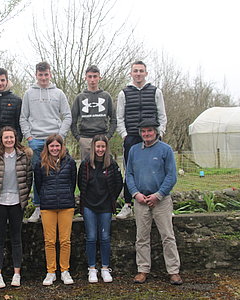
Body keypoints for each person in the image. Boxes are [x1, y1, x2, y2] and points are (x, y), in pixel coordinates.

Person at [125, 119, 182, 285]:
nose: (146, 134)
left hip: (161, 200)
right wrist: (135, 194)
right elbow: (129, 175)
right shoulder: (134, 150)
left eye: (149, 131)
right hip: (141, 200)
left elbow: (171, 176)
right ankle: (142, 270)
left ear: (156, 132)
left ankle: (173, 271)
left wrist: (159, 195)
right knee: (141, 238)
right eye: (143, 131)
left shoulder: (166, 150)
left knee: (167, 236)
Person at [20, 62, 72, 222]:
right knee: (38, 176)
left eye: (46, 74)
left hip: (55, 141)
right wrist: (29, 137)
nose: (43, 78)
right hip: (36, 141)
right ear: (36, 75)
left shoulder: (59, 93)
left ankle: (62, 207)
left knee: (59, 176)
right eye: (40, 75)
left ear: (50, 74)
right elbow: (23, 117)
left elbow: (67, 116)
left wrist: (60, 136)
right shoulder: (29, 94)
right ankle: (38, 207)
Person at [116, 61, 167, 219]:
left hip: (152, 137)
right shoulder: (123, 93)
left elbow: (162, 114)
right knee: (129, 171)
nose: (138, 73)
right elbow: (120, 117)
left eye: (141, 71)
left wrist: (160, 132)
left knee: (156, 169)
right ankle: (127, 205)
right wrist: (124, 135)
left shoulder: (155, 91)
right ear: (131, 73)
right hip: (131, 137)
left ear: (146, 73)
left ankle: (160, 203)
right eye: (135, 71)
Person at [0, 126, 33, 288]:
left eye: (11, 137)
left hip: (17, 203)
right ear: (1, 139)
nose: (9, 140)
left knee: (16, 238)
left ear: (15, 138)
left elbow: (28, 179)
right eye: (6, 138)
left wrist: (23, 198)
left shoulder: (24, 157)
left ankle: (16, 274)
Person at [78, 135, 123, 283]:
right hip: (89, 206)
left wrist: (111, 199)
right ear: (93, 147)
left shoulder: (112, 163)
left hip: (105, 207)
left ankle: (105, 268)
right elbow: (81, 184)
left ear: (106, 147)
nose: (100, 149)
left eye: (103, 146)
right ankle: (91, 269)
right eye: (98, 146)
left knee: (104, 238)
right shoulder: (85, 164)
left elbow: (118, 183)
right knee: (91, 237)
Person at [34, 134, 76, 286]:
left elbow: (73, 182)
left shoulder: (70, 162)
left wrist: (65, 196)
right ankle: (50, 271)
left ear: (61, 146)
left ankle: (65, 271)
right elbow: (38, 185)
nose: (55, 148)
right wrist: (46, 197)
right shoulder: (40, 163)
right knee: (49, 241)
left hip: (66, 205)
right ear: (47, 147)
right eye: (52, 146)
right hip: (48, 206)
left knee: (65, 240)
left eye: (57, 145)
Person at [71, 66, 117, 160]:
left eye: (95, 76)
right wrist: (78, 138)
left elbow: (114, 119)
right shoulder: (80, 97)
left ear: (99, 78)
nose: (92, 80)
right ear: (85, 78)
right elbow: (72, 120)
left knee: (106, 168)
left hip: (102, 138)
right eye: (90, 76)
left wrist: (108, 136)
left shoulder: (106, 96)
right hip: (85, 138)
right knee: (87, 169)